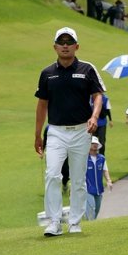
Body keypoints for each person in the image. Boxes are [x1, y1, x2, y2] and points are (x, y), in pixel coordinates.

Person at [35, 27, 105, 236]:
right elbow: (42, 105)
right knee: (52, 174)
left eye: (69, 41)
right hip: (56, 131)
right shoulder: (47, 73)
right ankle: (54, 221)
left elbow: (98, 95)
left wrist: (94, 117)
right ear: (55, 46)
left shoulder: (87, 69)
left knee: (77, 179)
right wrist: (38, 134)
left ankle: (75, 221)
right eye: (61, 42)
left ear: (76, 46)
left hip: (81, 131)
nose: (65, 45)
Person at [85, 136, 112, 221]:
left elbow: (105, 170)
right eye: (93, 143)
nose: (95, 145)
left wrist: (108, 180)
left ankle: (92, 223)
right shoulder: (84, 158)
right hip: (88, 189)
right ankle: (90, 224)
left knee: (97, 209)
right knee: (91, 208)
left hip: (99, 189)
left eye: (96, 144)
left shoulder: (101, 158)